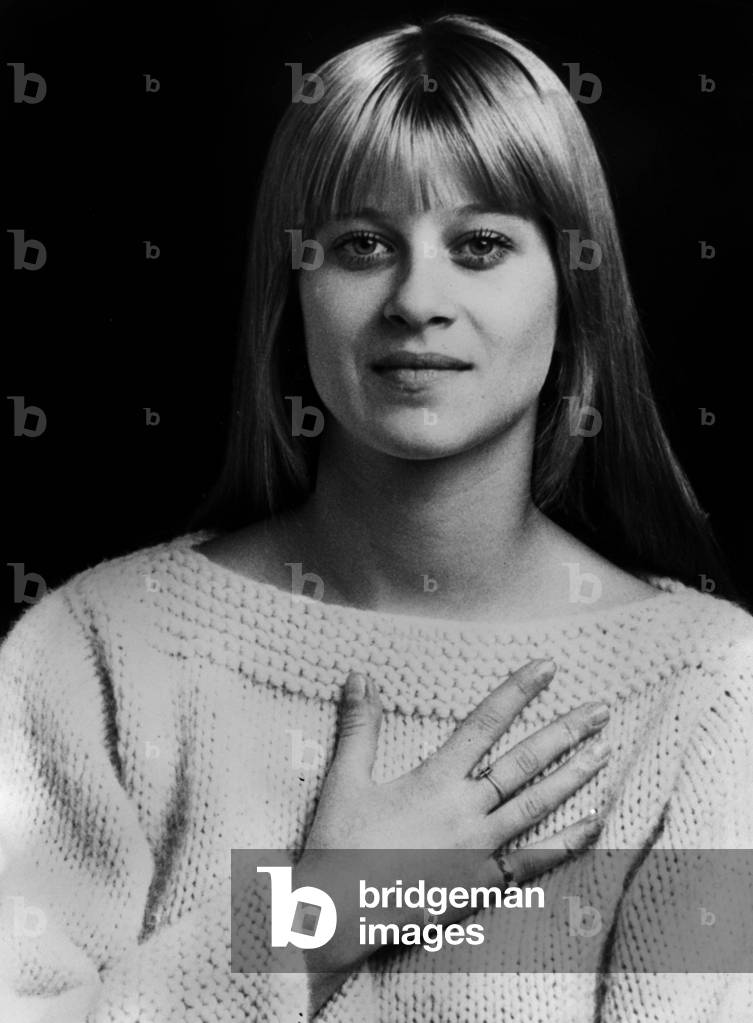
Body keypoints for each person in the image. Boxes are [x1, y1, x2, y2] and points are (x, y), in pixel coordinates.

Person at [1, 12, 752, 1023]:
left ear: (572, 295)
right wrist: (321, 915)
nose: (416, 299)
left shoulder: (709, 692)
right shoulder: (95, 651)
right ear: (293, 291)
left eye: (481, 244)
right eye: (362, 244)